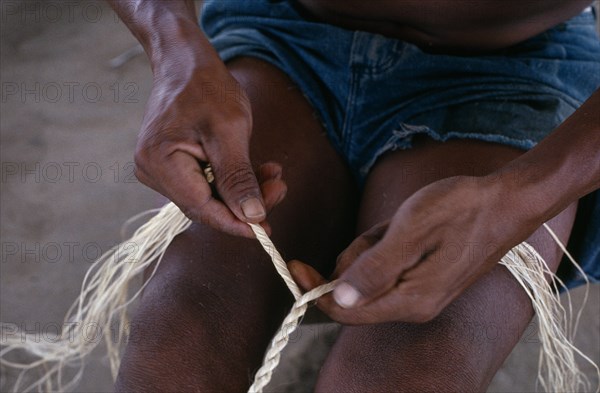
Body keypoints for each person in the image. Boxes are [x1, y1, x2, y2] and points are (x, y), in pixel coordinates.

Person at [107, 0, 600, 391]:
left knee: (412, 372)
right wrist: (173, 46)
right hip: (282, 29)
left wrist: (520, 195)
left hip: (519, 64)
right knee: (173, 353)